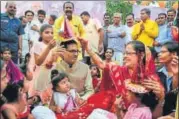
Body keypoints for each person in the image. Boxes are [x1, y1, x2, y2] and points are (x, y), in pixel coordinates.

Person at [28, 24, 57, 104]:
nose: (50, 35)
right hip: (40, 73)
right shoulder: (38, 44)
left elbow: (54, 61)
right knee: (39, 96)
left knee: (49, 95)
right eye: (47, 32)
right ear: (41, 34)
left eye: (52, 33)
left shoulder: (54, 45)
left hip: (50, 72)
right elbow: (38, 62)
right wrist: (49, 48)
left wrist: (56, 55)